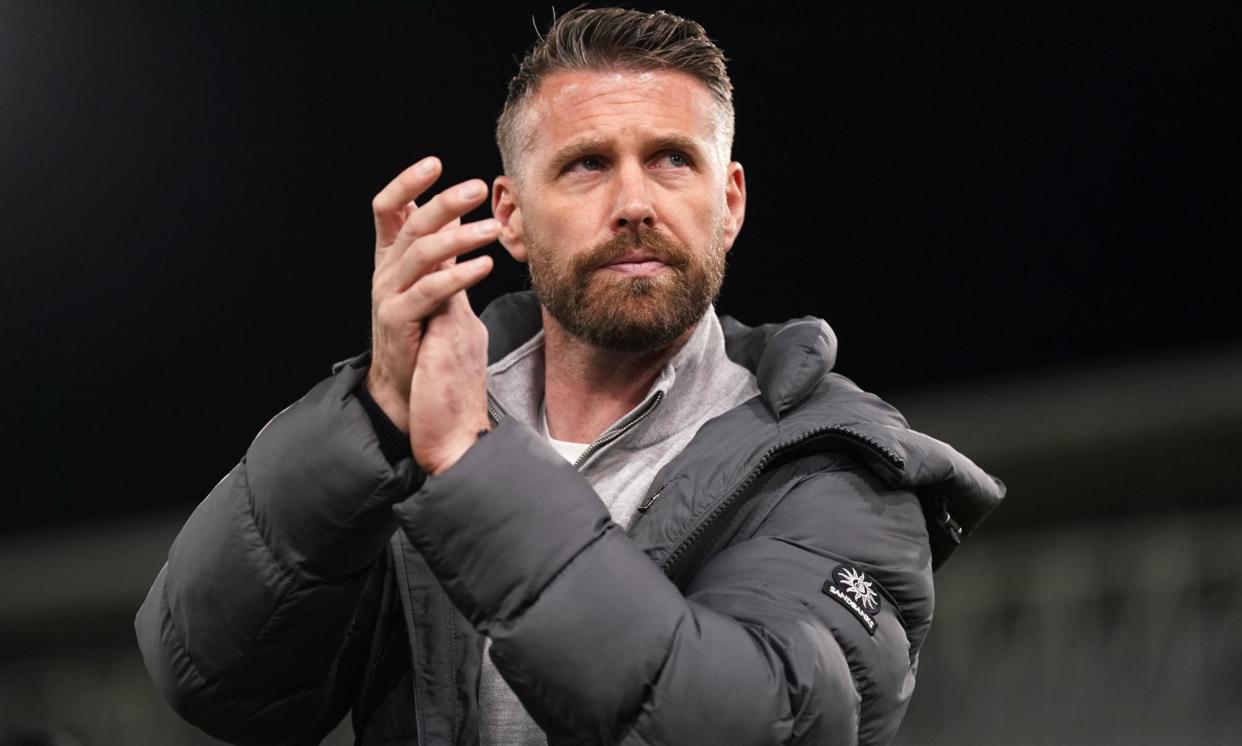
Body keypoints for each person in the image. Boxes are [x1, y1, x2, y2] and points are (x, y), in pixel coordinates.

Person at [136, 7, 1004, 746]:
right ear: (509, 215)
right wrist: (374, 415)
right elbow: (209, 674)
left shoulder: (840, 467)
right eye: (586, 164)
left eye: (672, 159)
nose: (634, 201)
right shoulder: (416, 429)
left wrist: (471, 468)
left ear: (728, 202)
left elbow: (748, 721)